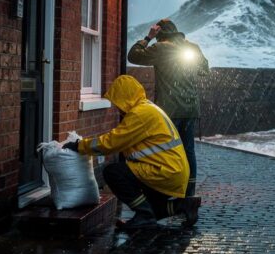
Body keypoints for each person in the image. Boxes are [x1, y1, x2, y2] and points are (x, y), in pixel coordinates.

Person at [63, 75, 200, 229]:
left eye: (118, 103)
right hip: (171, 172)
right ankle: (183, 206)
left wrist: (80, 146)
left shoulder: (139, 114)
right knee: (151, 207)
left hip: (163, 172)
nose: (118, 108)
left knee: (113, 173)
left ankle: (145, 216)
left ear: (125, 98)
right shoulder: (148, 107)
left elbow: (111, 143)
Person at [127, 19, 209, 197]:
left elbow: (133, 55)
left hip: (170, 110)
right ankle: (189, 194)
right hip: (191, 109)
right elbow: (204, 70)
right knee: (188, 150)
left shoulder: (161, 48)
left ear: (161, 34)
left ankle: (167, 192)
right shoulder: (191, 48)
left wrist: (148, 37)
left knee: (167, 151)